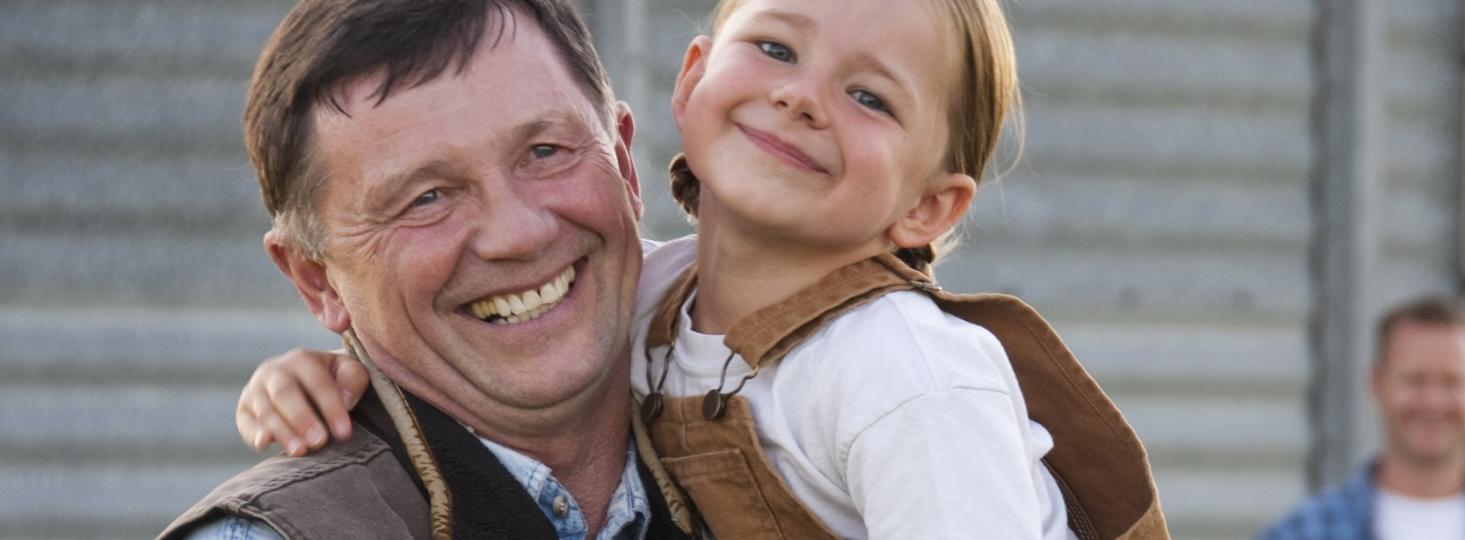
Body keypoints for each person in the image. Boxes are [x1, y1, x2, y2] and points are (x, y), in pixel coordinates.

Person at [225, 0, 1172, 538]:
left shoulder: (908, 375)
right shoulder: (655, 304)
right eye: (774, 47)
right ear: (692, 80)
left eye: (870, 96)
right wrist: (330, 378)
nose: (801, 97)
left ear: (928, 208)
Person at [159, 1, 696, 538]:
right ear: (316, 280)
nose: (518, 234)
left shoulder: (768, 437)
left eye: (545, 151)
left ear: (624, 165)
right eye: (427, 197)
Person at [1259, 297, 1465, 540]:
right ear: (1377, 383)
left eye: (1452, 382)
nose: (1433, 401)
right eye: (1415, 381)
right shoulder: (1301, 534)